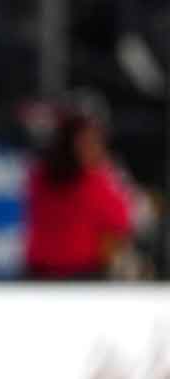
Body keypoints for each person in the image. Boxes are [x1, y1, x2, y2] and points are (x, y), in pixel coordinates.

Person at [23, 110, 133, 279]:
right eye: (88, 143)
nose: (96, 149)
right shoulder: (96, 181)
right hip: (67, 275)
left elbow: (119, 226)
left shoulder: (38, 175)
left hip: (68, 273)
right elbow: (121, 224)